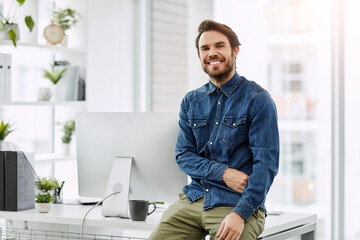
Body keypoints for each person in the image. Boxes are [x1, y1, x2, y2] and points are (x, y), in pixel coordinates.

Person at [149, 19, 279, 240]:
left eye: (219, 46)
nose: (212, 53)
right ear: (199, 56)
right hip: (193, 201)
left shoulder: (258, 99)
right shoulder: (190, 101)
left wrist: (241, 213)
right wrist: (224, 173)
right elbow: (183, 156)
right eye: (205, 48)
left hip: (237, 205)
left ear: (235, 51)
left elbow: (265, 166)